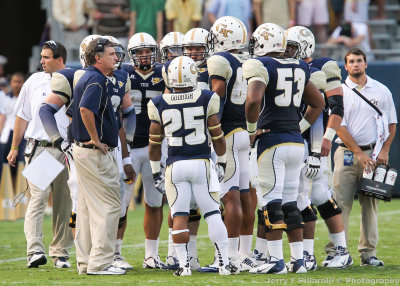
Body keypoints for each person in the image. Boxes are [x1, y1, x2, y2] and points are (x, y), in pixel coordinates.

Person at [243, 23, 325, 274]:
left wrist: (250, 129)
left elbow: (254, 99)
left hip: (272, 141)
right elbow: (318, 102)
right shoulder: (299, 64)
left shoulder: (262, 65)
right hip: (295, 142)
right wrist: (298, 126)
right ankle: (298, 261)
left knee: (271, 202)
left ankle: (276, 260)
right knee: (291, 204)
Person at [148, 55, 236, 276]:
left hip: (175, 166)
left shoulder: (157, 103)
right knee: (213, 214)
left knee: (179, 216)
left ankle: (184, 266)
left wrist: (155, 172)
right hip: (202, 162)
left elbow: (154, 145)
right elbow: (218, 136)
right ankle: (224, 264)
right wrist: (223, 162)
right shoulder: (207, 97)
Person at [285, 26, 352, 269]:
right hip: (294, 138)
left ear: (305, 46)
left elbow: (335, 107)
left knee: (311, 196)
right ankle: (331, 250)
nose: (286, 51)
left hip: (312, 140)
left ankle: (324, 252)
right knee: (311, 196)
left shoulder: (322, 66)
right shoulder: (285, 67)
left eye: (292, 46)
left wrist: (326, 139)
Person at [7, 41, 74, 269]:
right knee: (38, 198)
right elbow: (22, 115)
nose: (42, 61)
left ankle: (60, 253)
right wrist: (15, 147)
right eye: (42, 57)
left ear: (59, 59)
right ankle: (34, 250)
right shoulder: (34, 80)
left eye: (46, 57)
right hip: (41, 148)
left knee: (64, 204)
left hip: (66, 149)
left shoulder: (73, 79)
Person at [332, 48, 397, 266]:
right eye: (351, 61)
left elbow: (392, 124)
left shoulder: (382, 90)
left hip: (374, 154)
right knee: (341, 204)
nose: (356, 65)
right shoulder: (339, 91)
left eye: (359, 61)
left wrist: (385, 150)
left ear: (366, 64)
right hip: (347, 154)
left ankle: (368, 254)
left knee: (371, 205)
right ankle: (338, 252)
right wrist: (359, 153)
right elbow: (338, 128)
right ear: (346, 66)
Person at [200, 16, 252, 273]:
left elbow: (217, 93)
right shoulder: (248, 59)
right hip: (244, 131)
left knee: (229, 195)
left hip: (228, 133)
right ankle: (245, 252)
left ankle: (230, 256)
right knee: (244, 193)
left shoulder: (220, 60)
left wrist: (210, 130)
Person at [70, 37, 125, 275]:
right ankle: (100, 263)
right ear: (97, 58)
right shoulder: (97, 79)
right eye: (111, 54)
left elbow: (73, 111)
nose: (116, 57)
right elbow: (83, 109)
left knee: (85, 208)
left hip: (82, 152)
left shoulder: (86, 77)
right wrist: (94, 138)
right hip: (94, 153)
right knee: (110, 206)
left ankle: (85, 262)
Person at [123, 32, 167, 269]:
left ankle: (151, 255)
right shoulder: (124, 74)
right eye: (139, 51)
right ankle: (116, 253)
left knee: (155, 201)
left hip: (156, 146)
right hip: (129, 147)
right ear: (131, 54)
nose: (143, 55)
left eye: (147, 50)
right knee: (121, 204)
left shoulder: (165, 73)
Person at [0, 73, 25, 180]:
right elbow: (2, 116)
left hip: (23, 134)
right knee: (4, 159)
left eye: (19, 82)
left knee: (21, 160)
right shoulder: (5, 98)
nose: (17, 84)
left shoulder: (26, 99)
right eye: (14, 81)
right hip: (7, 132)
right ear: (11, 83)